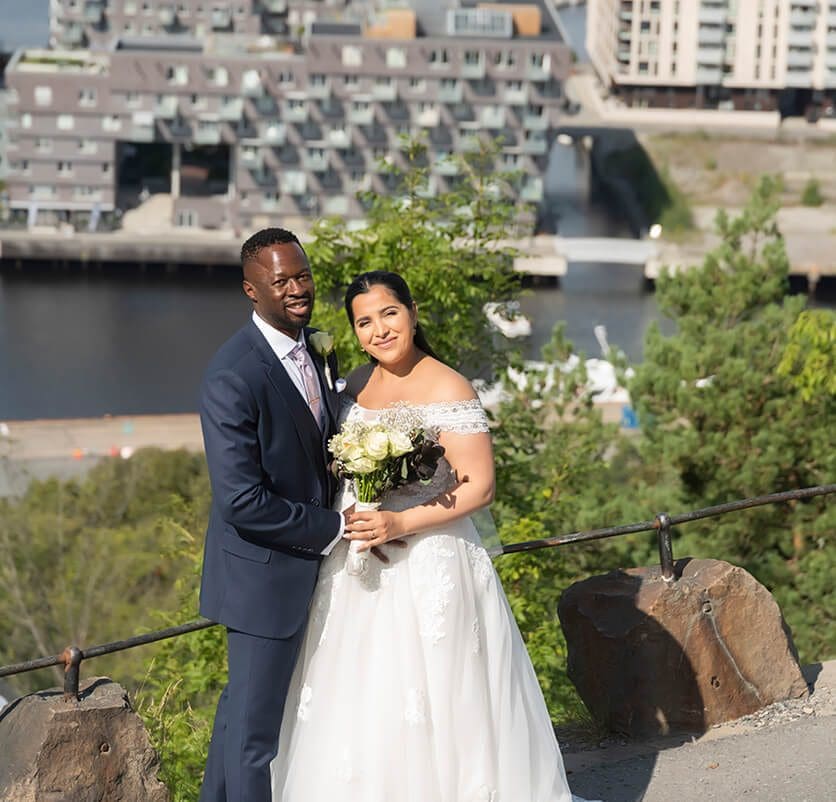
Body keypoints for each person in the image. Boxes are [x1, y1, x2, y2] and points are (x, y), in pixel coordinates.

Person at [271, 271, 595, 801]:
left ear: (413, 313)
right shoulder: (353, 384)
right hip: (358, 561)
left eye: (389, 314)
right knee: (359, 695)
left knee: (443, 694)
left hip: (431, 561)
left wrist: (399, 522)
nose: (379, 330)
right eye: (364, 322)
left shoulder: (450, 386)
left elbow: (480, 487)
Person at [198, 228, 347, 802]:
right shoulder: (232, 375)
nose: (296, 289)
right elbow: (241, 501)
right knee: (256, 740)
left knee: (240, 718)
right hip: (261, 578)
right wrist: (334, 528)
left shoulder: (316, 346)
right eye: (279, 281)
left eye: (302, 275)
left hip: (305, 570)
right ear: (250, 290)